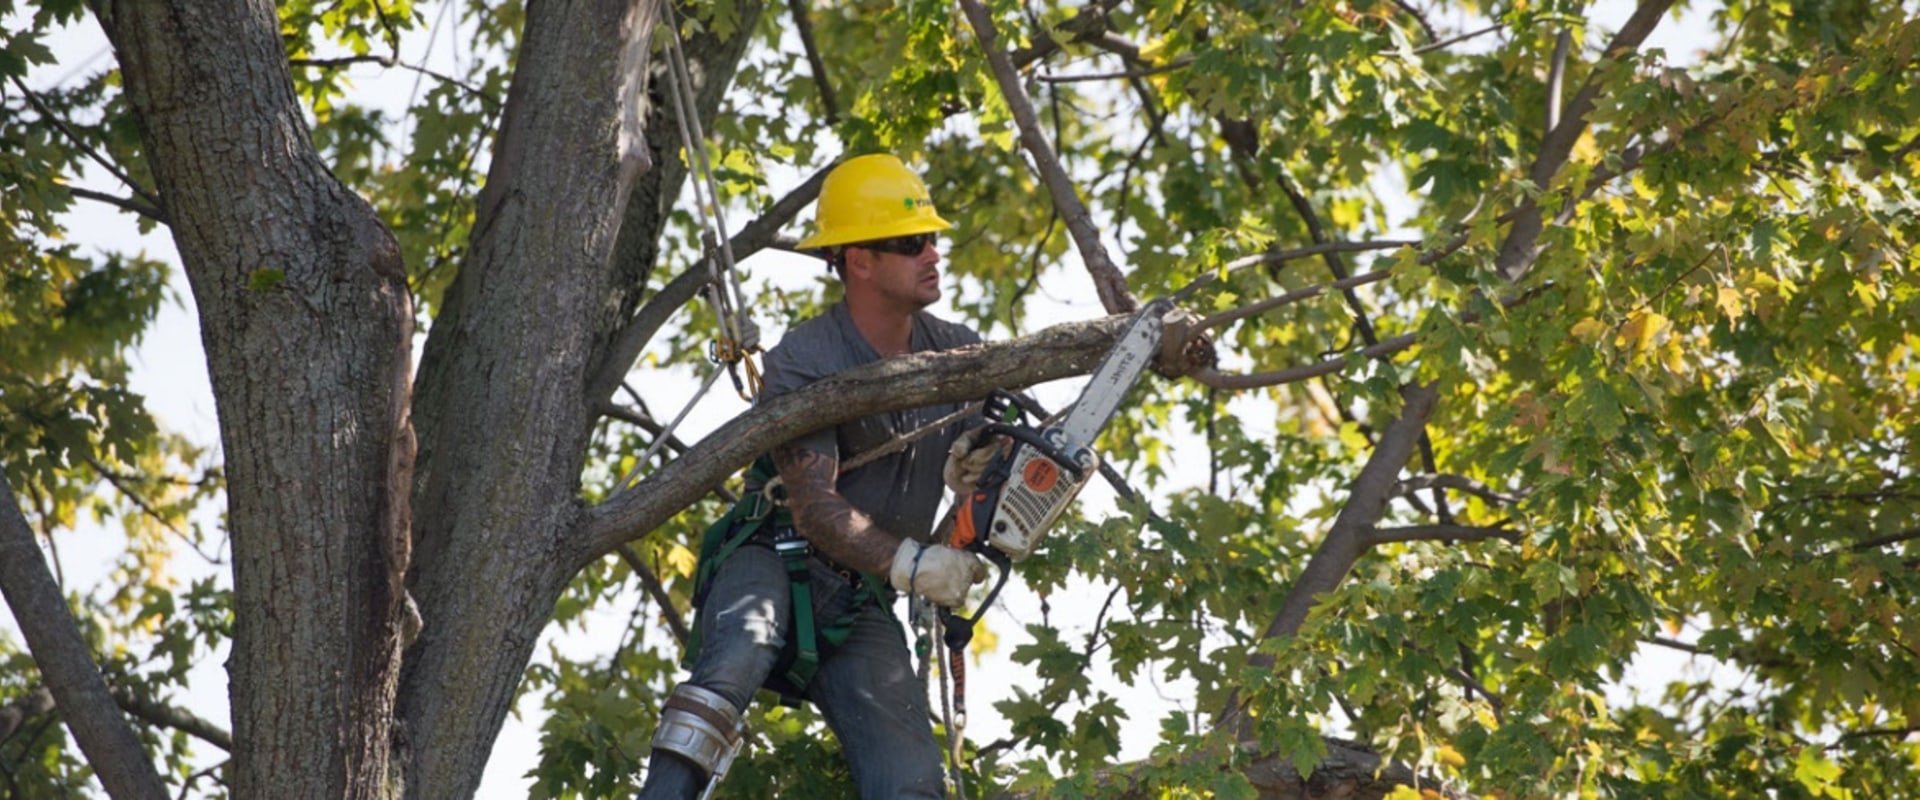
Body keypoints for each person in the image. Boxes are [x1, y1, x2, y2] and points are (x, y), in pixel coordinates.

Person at [638, 153, 1002, 799]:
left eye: (933, 239)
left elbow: (965, 522)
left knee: (913, 784)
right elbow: (814, 509)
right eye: (911, 242)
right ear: (857, 260)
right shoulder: (805, 360)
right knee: (738, 655)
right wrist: (917, 565)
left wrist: (975, 482)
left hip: (863, 598)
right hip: (775, 558)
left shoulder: (960, 353)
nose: (932, 254)